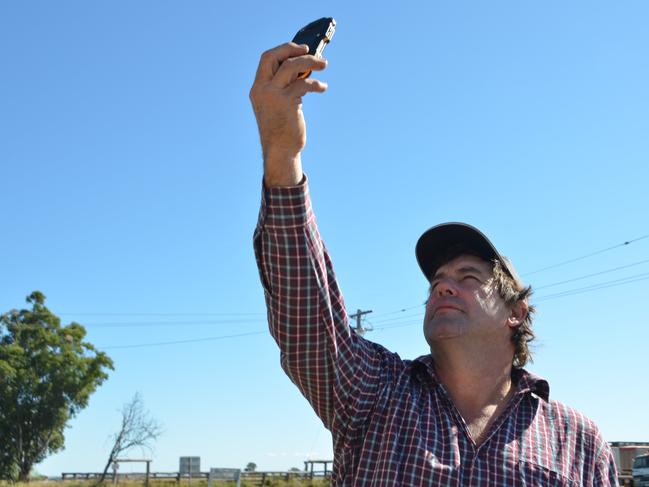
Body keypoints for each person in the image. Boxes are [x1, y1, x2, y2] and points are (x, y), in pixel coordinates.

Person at [250, 42, 619, 486]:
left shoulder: (578, 441)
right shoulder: (374, 393)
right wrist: (282, 153)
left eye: (468, 277)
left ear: (516, 313)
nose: (443, 286)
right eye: (438, 281)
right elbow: (310, 321)